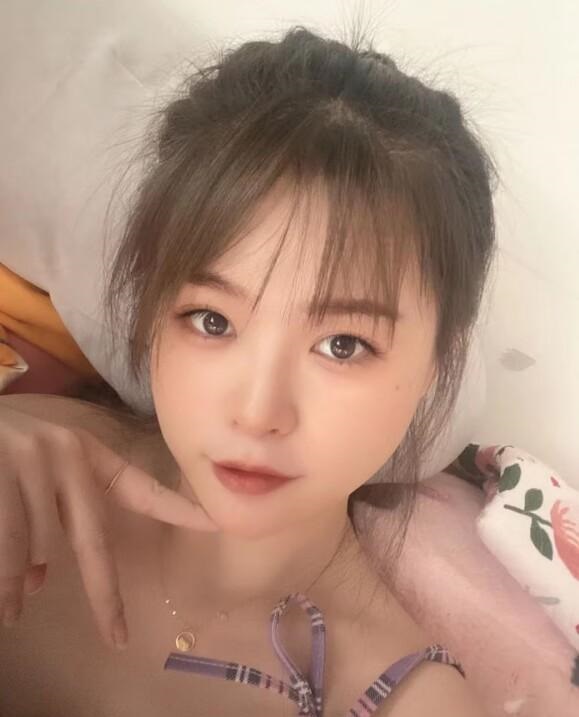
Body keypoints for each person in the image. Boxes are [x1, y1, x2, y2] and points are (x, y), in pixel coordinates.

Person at [0, 25, 496, 715]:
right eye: (212, 321)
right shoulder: (17, 470)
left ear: (436, 363)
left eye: (342, 345)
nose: (258, 412)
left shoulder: (408, 703)